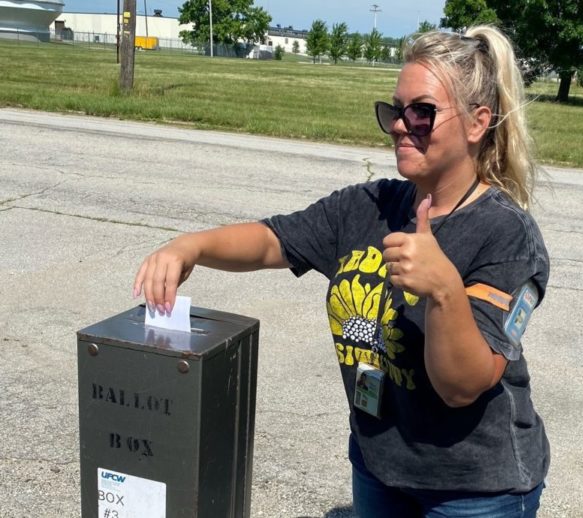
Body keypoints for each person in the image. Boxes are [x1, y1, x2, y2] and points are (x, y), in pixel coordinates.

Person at [133, 25, 550, 518]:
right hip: (378, 464)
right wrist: (191, 247)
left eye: (422, 112)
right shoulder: (368, 205)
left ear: (478, 123)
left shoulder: (507, 235)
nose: (400, 126)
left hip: (475, 489)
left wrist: (444, 291)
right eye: (395, 111)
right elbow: (272, 240)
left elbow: (462, 387)